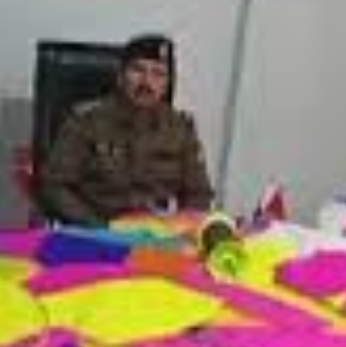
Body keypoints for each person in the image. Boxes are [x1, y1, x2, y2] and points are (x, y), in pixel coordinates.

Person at [40, 34, 215, 226]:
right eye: (138, 70)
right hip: (98, 230)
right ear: (120, 76)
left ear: (167, 84)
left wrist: (180, 227)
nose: (147, 82)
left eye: (158, 74)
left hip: (160, 235)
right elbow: (54, 185)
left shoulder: (181, 128)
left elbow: (199, 193)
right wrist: (97, 227)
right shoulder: (86, 122)